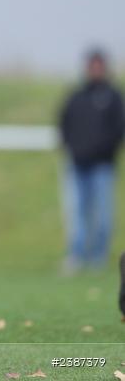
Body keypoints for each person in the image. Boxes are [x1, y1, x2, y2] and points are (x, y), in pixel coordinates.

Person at [58, 48, 124, 273]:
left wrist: (105, 150)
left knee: (103, 213)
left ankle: (99, 257)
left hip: (102, 165)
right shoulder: (76, 96)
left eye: (99, 65)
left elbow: (119, 129)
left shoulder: (113, 97)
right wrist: (70, 147)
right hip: (77, 164)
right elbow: (63, 123)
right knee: (77, 213)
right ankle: (76, 255)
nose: (95, 70)